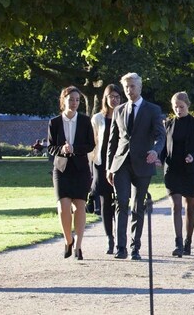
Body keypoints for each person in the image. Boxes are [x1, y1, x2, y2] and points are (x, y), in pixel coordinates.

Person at [107, 72, 166, 261]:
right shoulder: (118, 110)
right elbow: (112, 141)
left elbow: (160, 135)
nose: (129, 90)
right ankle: (121, 247)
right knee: (121, 203)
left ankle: (135, 248)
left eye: (132, 86)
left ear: (140, 87)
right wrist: (109, 167)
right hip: (121, 163)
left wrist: (156, 151)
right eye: (126, 87)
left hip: (143, 162)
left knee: (137, 205)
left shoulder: (153, 110)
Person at [47, 86, 95, 261]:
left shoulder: (84, 121)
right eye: (71, 99)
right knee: (63, 207)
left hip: (81, 169)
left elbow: (91, 145)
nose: (74, 103)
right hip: (61, 169)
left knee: (80, 206)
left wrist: (75, 148)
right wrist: (62, 149)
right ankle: (68, 240)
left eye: (77, 100)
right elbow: (51, 147)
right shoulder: (54, 122)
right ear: (63, 100)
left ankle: (79, 247)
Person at [161, 91, 194, 257]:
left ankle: (188, 241)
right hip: (172, 170)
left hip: (190, 170)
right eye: (175, 107)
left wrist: (193, 155)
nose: (178, 110)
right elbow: (163, 147)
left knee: (190, 206)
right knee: (176, 205)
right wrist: (159, 159)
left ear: (187, 106)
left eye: (181, 107)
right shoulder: (168, 124)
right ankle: (178, 242)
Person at [90, 84, 123, 255]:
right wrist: (91, 164)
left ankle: (121, 239)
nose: (114, 100)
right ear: (105, 98)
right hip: (101, 163)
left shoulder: (124, 116)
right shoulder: (98, 118)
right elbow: (93, 142)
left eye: (117, 97)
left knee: (121, 201)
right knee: (104, 202)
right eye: (111, 96)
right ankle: (110, 238)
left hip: (119, 163)